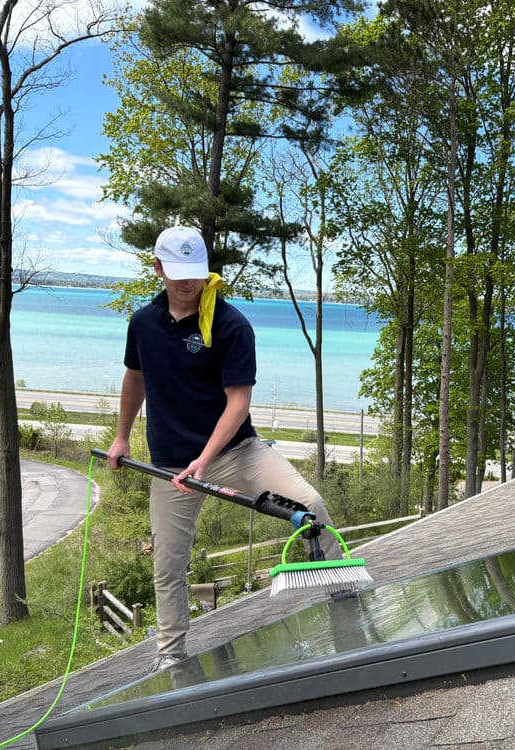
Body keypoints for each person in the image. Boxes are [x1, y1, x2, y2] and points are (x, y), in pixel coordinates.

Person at [106, 225, 342, 673]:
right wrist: (121, 436)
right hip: (173, 467)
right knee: (168, 564)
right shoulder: (142, 324)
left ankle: (343, 593)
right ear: (157, 268)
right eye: (175, 272)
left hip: (236, 453)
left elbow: (238, 403)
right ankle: (169, 656)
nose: (186, 282)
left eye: (194, 272)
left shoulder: (231, 324)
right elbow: (134, 378)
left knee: (309, 503)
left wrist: (205, 459)